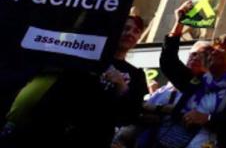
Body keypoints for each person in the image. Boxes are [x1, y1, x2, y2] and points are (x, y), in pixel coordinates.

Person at [2, 14, 148, 148]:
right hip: (52, 131)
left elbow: (130, 115)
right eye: (126, 28)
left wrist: (121, 86)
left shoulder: (136, 75)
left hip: (92, 139)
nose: (130, 33)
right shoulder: (84, 57)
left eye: (136, 31)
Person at [157, 1, 226, 148]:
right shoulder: (196, 80)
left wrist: (207, 118)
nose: (214, 51)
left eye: (222, 49)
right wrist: (179, 24)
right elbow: (169, 63)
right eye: (213, 48)